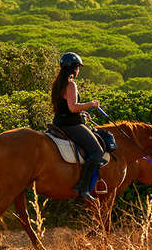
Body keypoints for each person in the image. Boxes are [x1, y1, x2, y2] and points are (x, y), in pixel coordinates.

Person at [51, 52, 104, 201]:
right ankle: (83, 187)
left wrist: (82, 114)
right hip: (70, 125)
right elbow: (73, 107)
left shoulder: (58, 83)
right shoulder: (70, 84)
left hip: (59, 122)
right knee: (97, 150)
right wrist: (91, 104)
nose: (79, 70)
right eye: (78, 67)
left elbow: (65, 108)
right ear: (74, 68)